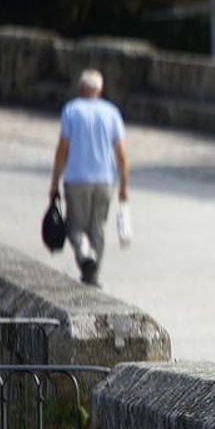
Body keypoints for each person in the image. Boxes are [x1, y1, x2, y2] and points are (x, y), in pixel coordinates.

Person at [47, 69, 129, 286]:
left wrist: (54, 182)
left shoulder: (72, 110)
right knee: (98, 228)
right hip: (105, 179)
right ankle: (93, 273)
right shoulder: (111, 112)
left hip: (76, 178)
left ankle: (86, 258)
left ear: (81, 89)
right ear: (100, 90)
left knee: (75, 227)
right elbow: (121, 154)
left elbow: (62, 149)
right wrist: (124, 186)